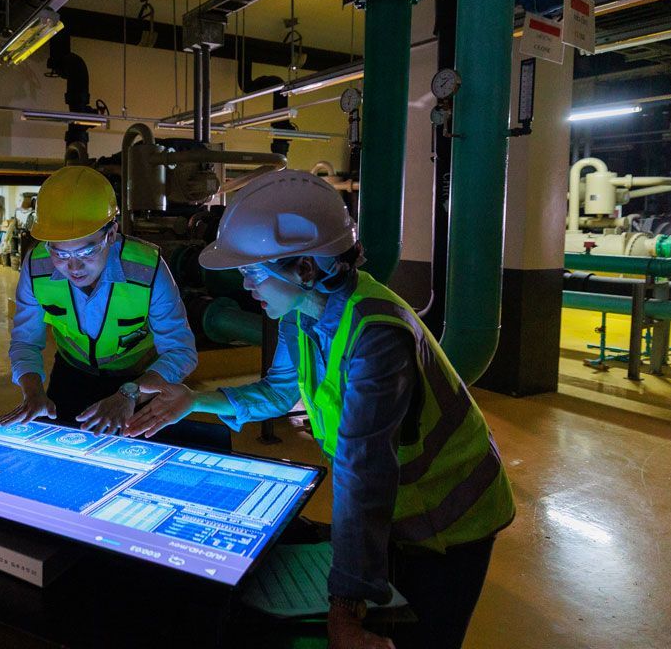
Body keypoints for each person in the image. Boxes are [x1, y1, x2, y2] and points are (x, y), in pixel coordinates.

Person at [126, 170, 514, 649]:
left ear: (305, 269)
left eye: (253, 272)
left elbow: (364, 469)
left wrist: (344, 608)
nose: (245, 284)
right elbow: (278, 392)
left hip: (452, 518)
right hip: (398, 510)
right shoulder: (300, 315)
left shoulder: (377, 336)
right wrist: (193, 399)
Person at [0, 165, 199, 439]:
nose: (74, 267)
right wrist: (33, 393)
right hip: (72, 373)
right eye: (60, 253)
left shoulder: (147, 270)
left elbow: (180, 351)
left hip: (141, 380)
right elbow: (26, 341)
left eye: (87, 251)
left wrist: (131, 393)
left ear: (111, 234)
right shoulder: (36, 267)